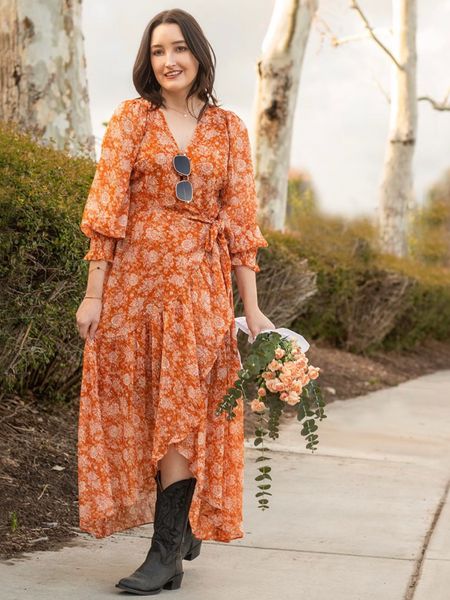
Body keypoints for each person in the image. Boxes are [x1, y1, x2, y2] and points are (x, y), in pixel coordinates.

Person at [75, 7, 274, 595]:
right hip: (135, 290)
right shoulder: (132, 120)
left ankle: (166, 554)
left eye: (179, 48)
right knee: (141, 408)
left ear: (199, 55)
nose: (170, 61)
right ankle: (179, 524)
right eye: (159, 50)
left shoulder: (229, 129)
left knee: (183, 413)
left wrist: (253, 308)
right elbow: (106, 211)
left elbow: (241, 224)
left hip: (199, 293)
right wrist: (94, 296)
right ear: (148, 60)